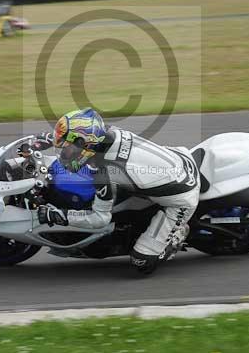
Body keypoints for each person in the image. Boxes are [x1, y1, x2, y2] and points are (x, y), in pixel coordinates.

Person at [29, 108, 201, 274]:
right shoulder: (107, 133)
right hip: (178, 158)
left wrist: (59, 215)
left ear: (84, 144)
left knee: (142, 262)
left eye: (67, 147)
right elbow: (76, 137)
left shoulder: (105, 173)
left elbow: (100, 219)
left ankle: (177, 234)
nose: (64, 152)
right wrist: (37, 143)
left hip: (182, 196)